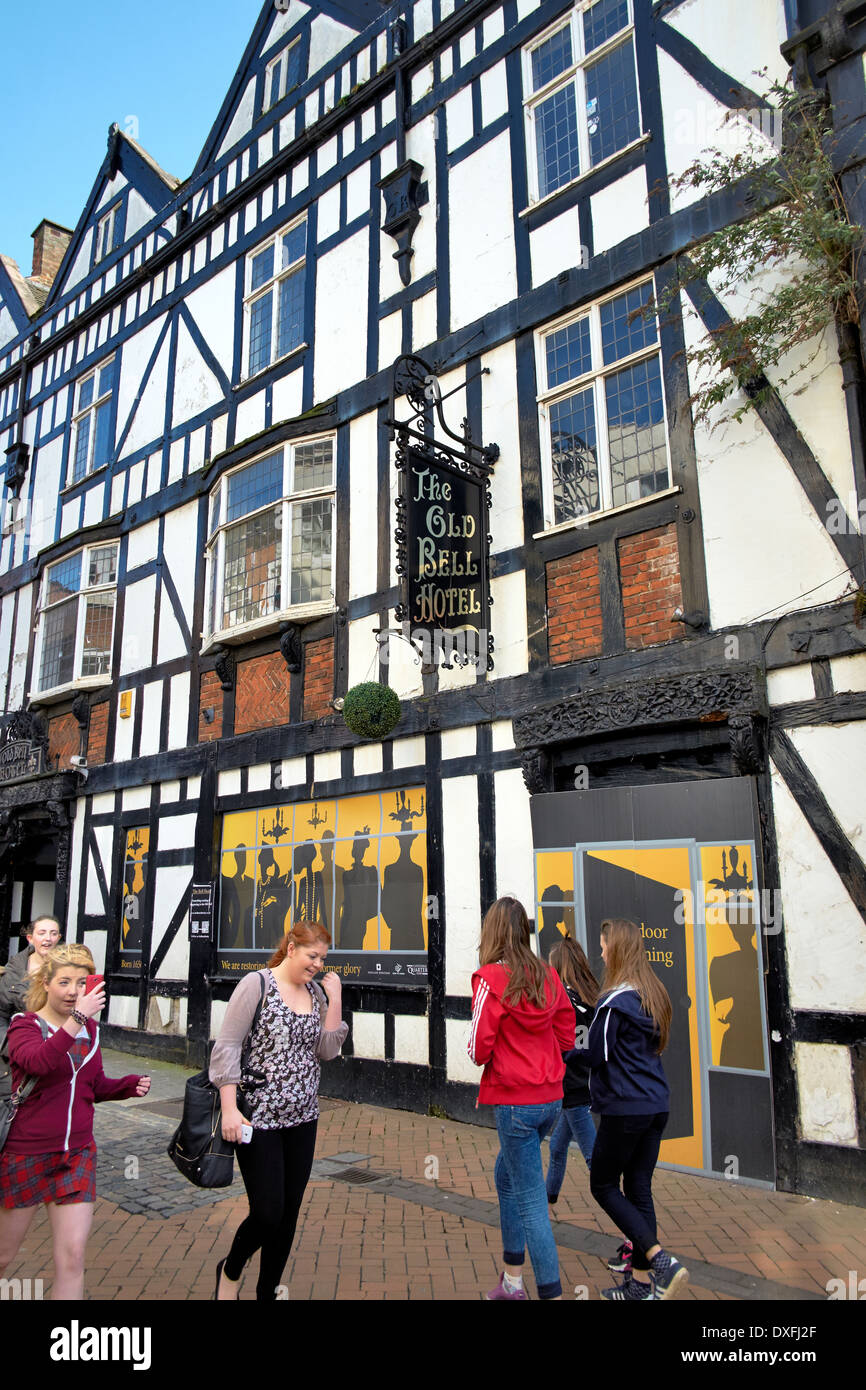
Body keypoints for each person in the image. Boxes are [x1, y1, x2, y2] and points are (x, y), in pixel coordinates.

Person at [0, 942, 150, 1299]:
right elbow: (38, 1063)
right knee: (3, 1255)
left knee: (72, 1257)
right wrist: (77, 1019)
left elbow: (90, 1086)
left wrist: (126, 1087)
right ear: (47, 983)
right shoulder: (25, 1025)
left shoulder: (91, 1033)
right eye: (65, 982)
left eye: (82, 983)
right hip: (27, 1155)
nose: (74, 992)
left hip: (76, 1156)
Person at [209, 921, 348, 1301]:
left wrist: (334, 998)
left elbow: (328, 1050)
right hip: (258, 1118)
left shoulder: (316, 993)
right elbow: (227, 1048)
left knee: (288, 1215)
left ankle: (266, 1292)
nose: (318, 964)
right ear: (290, 948)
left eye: (323, 957)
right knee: (268, 1211)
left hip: (303, 1118)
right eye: (311, 955)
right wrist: (229, 1110)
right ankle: (231, 1269)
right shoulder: (256, 985)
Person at [468, 896, 575, 1301]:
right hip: (550, 1099)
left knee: (532, 1203)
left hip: (515, 1102)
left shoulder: (490, 978)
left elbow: (479, 1047)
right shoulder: (547, 974)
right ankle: (512, 1278)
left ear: (492, 931)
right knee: (505, 1176)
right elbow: (566, 1027)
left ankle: (548, 1293)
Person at [587, 918, 688, 1301]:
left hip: (626, 1108)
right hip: (656, 1104)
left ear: (617, 951)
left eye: (603, 945)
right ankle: (642, 1287)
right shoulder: (653, 994)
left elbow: (597, 1054)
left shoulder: (613, 1003)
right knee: (639, 1188)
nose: (600, 952)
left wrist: (564, 1055)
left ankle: (662, 1261)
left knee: (603, 1184)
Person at [545, 936, 599, 1205]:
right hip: (583, 1082)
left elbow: (568, 1045)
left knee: (595, 1163)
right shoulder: (590, 998)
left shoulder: (564, 999)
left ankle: (624, 1211)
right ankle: (549, 1197)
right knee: (557, 1147)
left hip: (572, 1087)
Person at [0, 917, 62, 1101]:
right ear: (30, 938)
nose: (48, 939)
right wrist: (8, 1046)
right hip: (15, 1054)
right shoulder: (14, 971)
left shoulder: (66, 969)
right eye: (41, 933)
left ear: (58, 938)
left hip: (55, 1049)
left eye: (53, 933)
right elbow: (1, 1013)